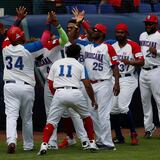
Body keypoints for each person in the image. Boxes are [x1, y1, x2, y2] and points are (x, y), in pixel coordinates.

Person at [2, 11, 56, 153]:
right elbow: (44, 41)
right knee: (26, 118)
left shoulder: (5, 47)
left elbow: (9, 36)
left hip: (10, 86)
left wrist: (18, 20)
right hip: (26, 87)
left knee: (11, 116)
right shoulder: (27, 49)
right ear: (21, 37)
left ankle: (11, 141)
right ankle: (28, 145)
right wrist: (48, 23)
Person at [72, 9, 120, 150]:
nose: (92, 31)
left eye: (96, 30)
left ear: (102, 34)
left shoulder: (108, 48)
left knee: (103, 114)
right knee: (92, 113)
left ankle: (108, 143)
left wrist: (117, 83)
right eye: (92, 29)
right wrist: (78, 23)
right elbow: (72, 39)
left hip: (104, 83)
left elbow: (115, 66)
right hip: (91, 85)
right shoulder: (86, 45)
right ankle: (100, 140)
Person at [38, 44, 99, 155]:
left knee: (51, 121)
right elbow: (87, 85)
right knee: (86, 117)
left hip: (60, 92)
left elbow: (51, 83)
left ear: (66, 52)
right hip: (75, 92)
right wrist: (93, 100)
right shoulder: (80, 65)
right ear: (77, 54)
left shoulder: (56, 63)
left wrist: (56, 94)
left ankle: (44, 145)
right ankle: (92, 142)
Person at [110, 23, 144, 145]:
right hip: (115, 79)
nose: (119, 34)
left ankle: (134, 134)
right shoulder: (112, 46)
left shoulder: (132, 45)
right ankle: (119, 137)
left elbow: (142, 62)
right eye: (117, 32)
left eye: (122, 32)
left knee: (123, 107)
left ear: (126, 33)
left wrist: (130, 61)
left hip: (128, 78)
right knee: (113, 110)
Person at [139, 14, 160, 138]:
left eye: (150, 24)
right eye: (146, 23)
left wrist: (156, 51)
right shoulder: (142, 35)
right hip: (143, 71)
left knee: (159, 100)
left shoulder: (159, 36)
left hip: (155, 70)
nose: (147, 25)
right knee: (145, 100)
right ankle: (149, 128)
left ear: (155, 24)